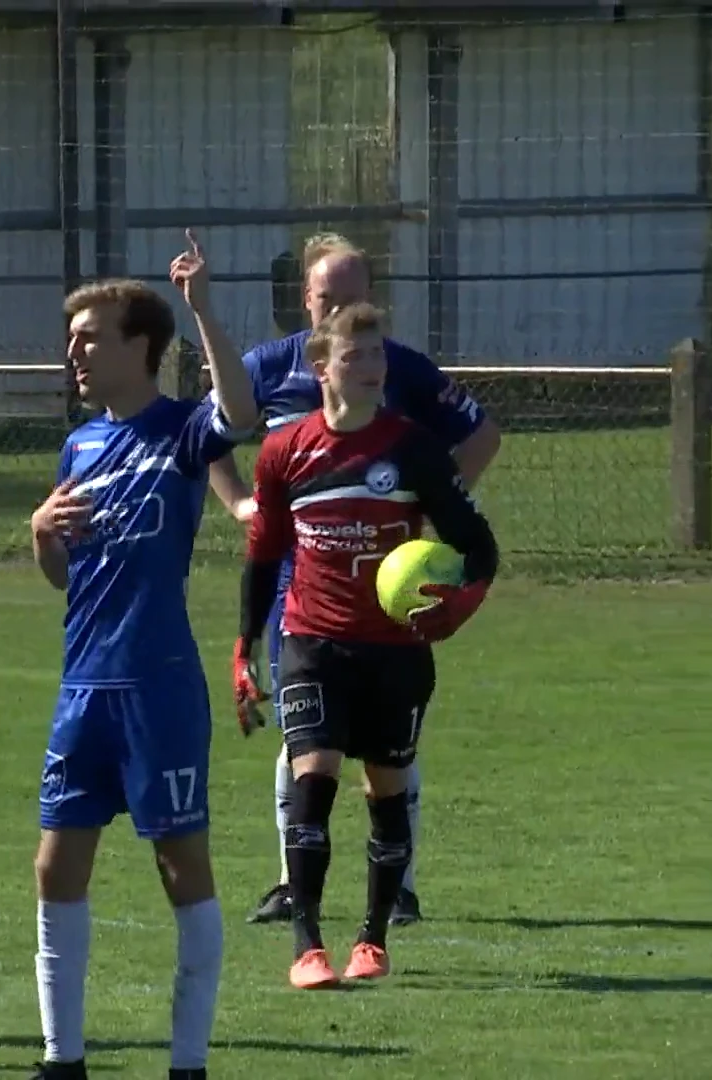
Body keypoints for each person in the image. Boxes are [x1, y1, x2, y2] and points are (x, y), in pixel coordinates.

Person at [207, 233, 502, 928]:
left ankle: (399, 887)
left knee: (389, 748)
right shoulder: (270, 366)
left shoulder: (397, 368)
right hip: (296, 589)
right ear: (304, 299)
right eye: (325, 296)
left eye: (352, 296)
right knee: (302, 739)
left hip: (388, 592)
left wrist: (431, 501)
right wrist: (241, 504)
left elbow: (482, 435)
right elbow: (208, 439)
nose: (338, 308)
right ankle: (290, 882)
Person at [24, 235, 257, 1080]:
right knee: (55, 864)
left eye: (93, 336)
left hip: (156, 687)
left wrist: (202, 309)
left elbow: (241, 414)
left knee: (179, 863)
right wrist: (41, 535)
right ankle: (63, 1060)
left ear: (141, 348)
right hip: (82, 686)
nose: (76, 352)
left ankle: (187, 1063)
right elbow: (62, 576)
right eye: (73, 338)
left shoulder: (182, 431)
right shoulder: (79, 447)